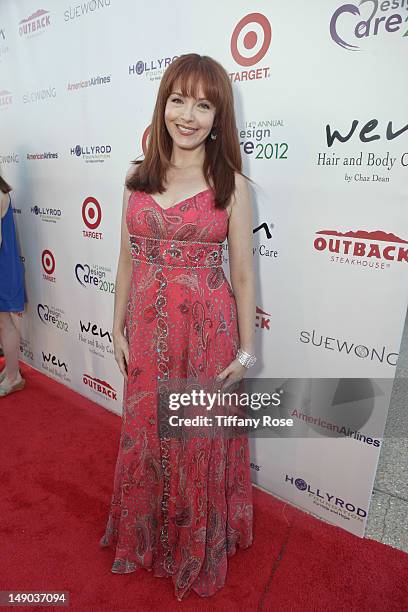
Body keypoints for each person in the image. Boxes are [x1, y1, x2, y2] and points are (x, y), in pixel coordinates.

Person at [100, 53, 257, 601]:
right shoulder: (135, 178)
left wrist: (247, 354)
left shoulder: (232, 185)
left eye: (204, 104)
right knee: (147, 436)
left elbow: (241, 274)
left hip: (207, 337)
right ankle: (148, 537)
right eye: (178, 99)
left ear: (219, 116)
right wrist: (115, 327)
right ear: (163, 104)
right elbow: (125, 261)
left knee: (194, 441)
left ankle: (193, 543)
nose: (188, 115)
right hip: (145, 330)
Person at [0, 174, 26, 397]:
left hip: (4, 269)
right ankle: (10, 369)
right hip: (5, 267)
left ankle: (13, 376)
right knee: (4, 322)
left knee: (5, 322)